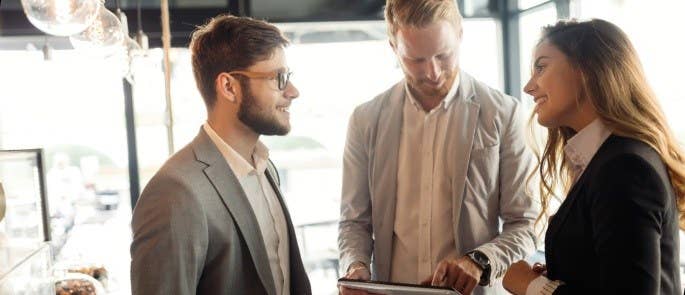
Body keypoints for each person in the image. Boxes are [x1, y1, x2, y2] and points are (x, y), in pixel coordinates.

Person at [337, 1, 539, 294]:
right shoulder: (365, 120)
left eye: (443, 55)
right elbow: (354, 221)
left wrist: (481, 261)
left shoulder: (502, 113)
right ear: (394, 47)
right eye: (416, 60)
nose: (432, 72)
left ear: (460, 34)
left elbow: (525, 224)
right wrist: (355, 267)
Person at [130, 14, 311, 295]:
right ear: (229, 87)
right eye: (278, 78)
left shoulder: (266, 168)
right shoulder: (175, 192)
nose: (293, 91)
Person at [502, 19, 685, 295]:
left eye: (541, 67)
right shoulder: (604, 161)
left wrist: (534, 286)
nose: (529, 86)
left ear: (587, 69)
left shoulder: (625, 168)